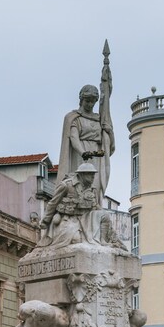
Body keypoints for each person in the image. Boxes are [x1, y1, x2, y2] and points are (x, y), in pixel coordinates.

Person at [58, 42, 113, 202]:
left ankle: (96, 206)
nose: (90, 104)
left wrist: (108, 133)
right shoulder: (74, 117)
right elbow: (73, 137)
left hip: (96, 154)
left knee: (95, 186)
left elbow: (107, 140)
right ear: (81, 100)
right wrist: (83, 153)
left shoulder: (98, 119)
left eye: (93, 102)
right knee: (80, 186)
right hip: (80, 156)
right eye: (87, 101)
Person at [37, 163, 100, 248]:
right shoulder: (66, 185)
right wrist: (45, 221)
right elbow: (53, 203)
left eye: (93, 174)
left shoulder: (93, 189)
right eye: (90, 174)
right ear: (82, 174)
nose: (93, 177)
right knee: (76, 239)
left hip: (86, 220)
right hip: (68, 219)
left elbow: (96, 206)